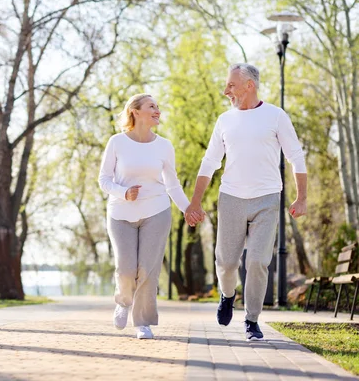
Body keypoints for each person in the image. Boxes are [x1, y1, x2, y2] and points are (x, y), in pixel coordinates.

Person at [185, 63, 307, 341]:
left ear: (249, 85)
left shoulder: (275, 116)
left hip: (267, 198)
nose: (226, 90)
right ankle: (228, 295)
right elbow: (210, 162)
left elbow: (296, 157)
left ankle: (252, 319)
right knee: (227, 263)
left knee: (257, 261)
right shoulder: (224, 121)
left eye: (231, 85)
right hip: (231, 198)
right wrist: (195, 202)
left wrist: (302, 198)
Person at [98, 93, 201, 339]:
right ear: (135, 111)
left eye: (158, 106)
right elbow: (104, 179)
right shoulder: (117, 142)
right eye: (151, 106)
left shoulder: (164, 145)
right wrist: (123, 193)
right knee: (125, 269)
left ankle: (142, 322)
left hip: (156, 211)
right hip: (121, 213)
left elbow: (173, 184)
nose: (157, 110)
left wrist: (188, 208)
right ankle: (123, 301)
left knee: (148, 269)